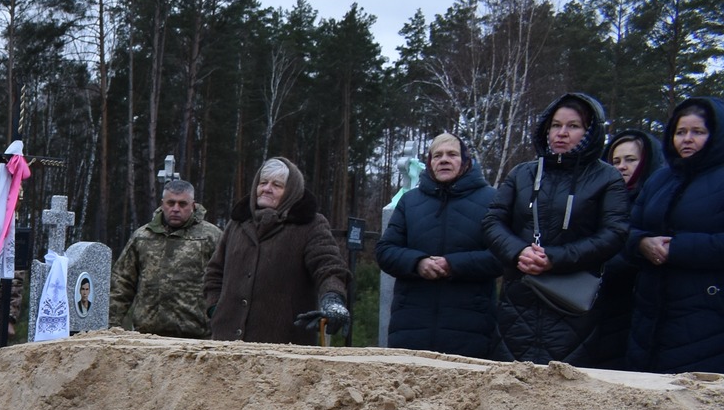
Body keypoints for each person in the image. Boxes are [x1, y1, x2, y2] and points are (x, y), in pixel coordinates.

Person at [481, 93, 629, 365]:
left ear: (590, 131)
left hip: (572, 303)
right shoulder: (521, 173)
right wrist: (518, 252)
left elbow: (614, 233)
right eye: (555, 125)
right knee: (511, 381)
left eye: (573, 126)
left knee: (566, 387)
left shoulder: (606, 178)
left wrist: (556, 258)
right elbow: (492, 222)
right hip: (518, 300)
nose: (562, 133)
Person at [374, 133, 501, 358]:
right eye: (437, 155)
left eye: (452, 154)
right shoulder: (410, 201)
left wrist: (454, 265)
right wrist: (418, 263)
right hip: (410, 328)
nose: (444, 160)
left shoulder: (491, 200)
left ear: (465, 161)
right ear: (430, 163)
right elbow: (385, 251)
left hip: (471, 329)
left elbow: (501, 256)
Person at [626, 97, 724, 374]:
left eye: (698, 132)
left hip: (708, 312)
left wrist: (677, 249)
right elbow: (628, 228)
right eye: (680, 132)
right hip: (650, 310)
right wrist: (642, 243)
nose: (687, 139)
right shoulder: (659, 179)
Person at [204, 157, 350, 344]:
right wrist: (215, 309)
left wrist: (333, 299)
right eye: (263, 182)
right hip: (226, 342)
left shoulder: (310, 225)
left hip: (284, 345)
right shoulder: (237, 224)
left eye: (277, 185)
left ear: (291, 191)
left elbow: (329, 267)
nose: (266, 188)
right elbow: (214, 272)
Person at [578, 129, 663, 369]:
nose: (621, 167)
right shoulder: (596, 201)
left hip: (635, 302)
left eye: (630, 160)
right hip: (595, 304)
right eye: (615, 161)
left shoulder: (655, 202)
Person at [111, 177, 222, 338]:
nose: (176, 209)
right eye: (171, 203)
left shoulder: (211, 237)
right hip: (147, 336)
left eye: (182, 204)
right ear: (163, 203)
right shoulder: (142, 237)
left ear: (193, 205)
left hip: (196, 338)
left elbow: (225, 282)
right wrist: (110, 326)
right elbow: (122, 283)